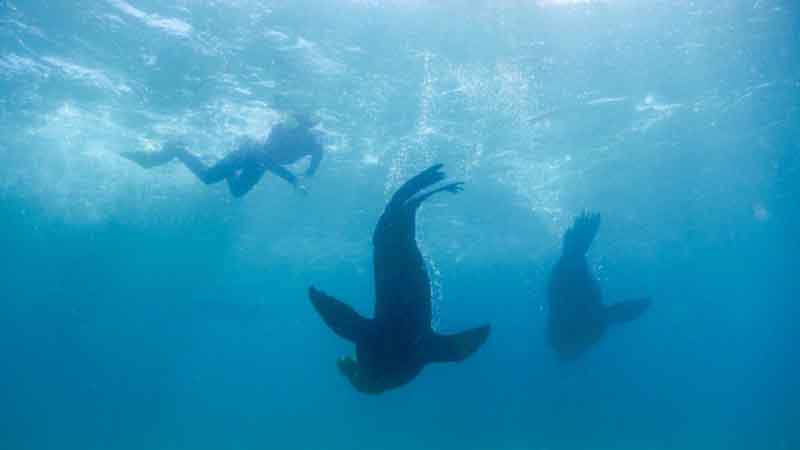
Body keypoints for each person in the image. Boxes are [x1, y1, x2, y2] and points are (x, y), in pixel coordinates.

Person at [121, 113, 324, 198]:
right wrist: (294, 180)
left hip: (259, 162)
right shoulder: (280, 130)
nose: (286, 125)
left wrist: (309, 174)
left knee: (237, 192)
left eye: (294, 124)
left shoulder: (313, 143)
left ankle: (224, 165)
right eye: (289, 123)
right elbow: (266, 158)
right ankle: (176, 149)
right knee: (209, 178)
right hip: (249, 153)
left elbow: (317, 157)